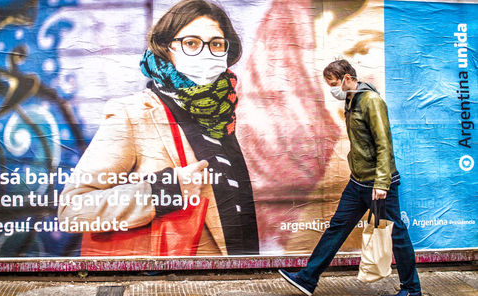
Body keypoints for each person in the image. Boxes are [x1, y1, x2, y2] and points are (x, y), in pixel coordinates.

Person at [59, 0, 259, 256]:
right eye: (192, 43)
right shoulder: (134, 114)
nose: (206, 53)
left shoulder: (223, 112)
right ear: (166, 49)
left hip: (237, 275)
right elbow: (73, 209)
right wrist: (166, 190)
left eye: (216, 44)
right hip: (178, 281)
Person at [278, 59, 421, 296]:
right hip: (358, 182)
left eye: (333, 83)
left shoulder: (371, 101)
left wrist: (382, 183)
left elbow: (384, 144)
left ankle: (412, 289)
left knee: (397, 234)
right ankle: (307, 279)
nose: (332, 89)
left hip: (378, 183)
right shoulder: (351, 99)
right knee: (337, 228)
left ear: (347, 78)